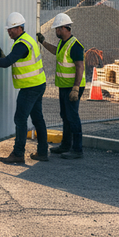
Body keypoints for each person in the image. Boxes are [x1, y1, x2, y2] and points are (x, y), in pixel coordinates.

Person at [0, 12, 48, 165]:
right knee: (37, 119)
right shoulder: (27, 40)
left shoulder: (21, 44)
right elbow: (15, 60)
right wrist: (4, 58)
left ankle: (18, 154)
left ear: (20, 28)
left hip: (30, 88)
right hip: (38, 84)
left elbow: (8, 62)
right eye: (8, 29)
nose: (9, 32)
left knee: (20, 119)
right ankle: (42, 152)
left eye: (11, 29)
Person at [37, 12, 85, 159]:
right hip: (65, 86)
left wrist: (76, 88)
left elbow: (80, 67)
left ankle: (77, 149)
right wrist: (43, 42)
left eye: (58, 29)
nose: (56, 31)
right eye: (56, 29)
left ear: (66, 28)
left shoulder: (75, 45)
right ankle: (65, 145)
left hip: (73, 87)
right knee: (65, 116)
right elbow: (56, 52)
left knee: (72, 117)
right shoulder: (63, 44)